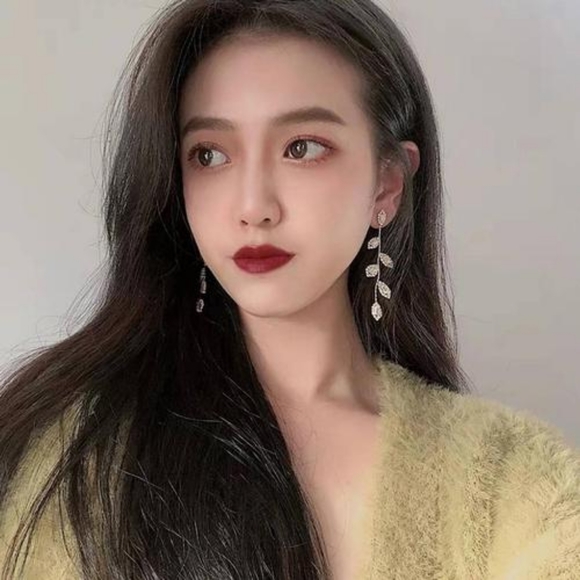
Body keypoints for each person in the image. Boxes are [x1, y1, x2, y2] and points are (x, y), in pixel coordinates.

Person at [1, 0, 579, 578]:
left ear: (386, 184)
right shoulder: (73, 462)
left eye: (302, 147)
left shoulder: (517, 488)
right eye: (210, 155)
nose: (253, 206)